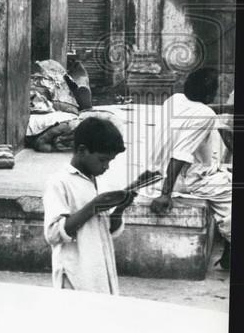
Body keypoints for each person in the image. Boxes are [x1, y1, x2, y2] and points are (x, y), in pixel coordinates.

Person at [138, 68, 232, 270]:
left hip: (157, 173)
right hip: (182, 180)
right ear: (208, 94)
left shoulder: (174, 99)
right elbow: (180, 154)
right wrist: (166, 194)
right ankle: (231, 247)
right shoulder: (205, 114)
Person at [43, 117, 131, 294]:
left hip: (100, 271)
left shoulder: (100, 181)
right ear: (82, 150)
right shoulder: (59, 182)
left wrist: (121, 207)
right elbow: (52, 234)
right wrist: (94, 207)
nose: (106, 166)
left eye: (109, 161)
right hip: (75, 276)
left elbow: (108, 229)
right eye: (102, 160)